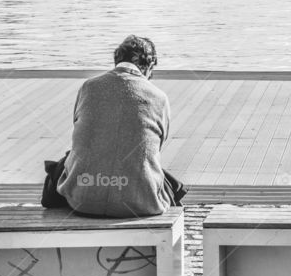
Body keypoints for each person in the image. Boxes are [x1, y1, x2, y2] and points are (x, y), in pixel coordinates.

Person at [43, 35, 186, 217]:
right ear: (149, 66)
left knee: (66, 160)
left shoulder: (88, 87)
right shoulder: (159, 97)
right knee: (167, 181)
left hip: (82, 200)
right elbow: (156, 146)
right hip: (140, 202)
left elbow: (82, 131)